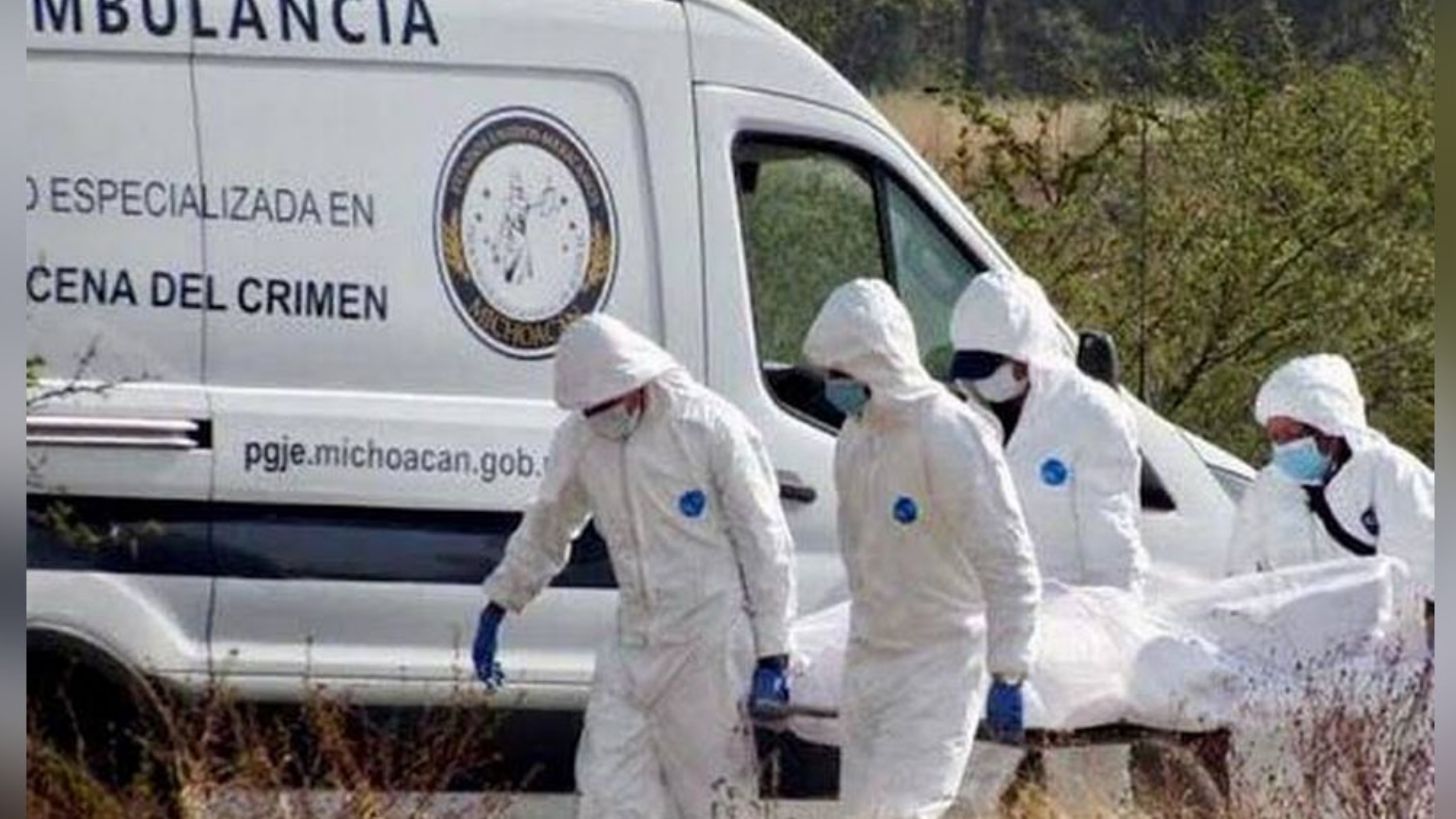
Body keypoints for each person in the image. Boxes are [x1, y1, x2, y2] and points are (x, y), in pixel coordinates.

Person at [472, 313, 798, 818]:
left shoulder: (708, 427)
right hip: (634, 642)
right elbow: (549, 523)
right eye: (588, 410)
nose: (598, 417)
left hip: (707, 644)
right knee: (609, 789)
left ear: (634, 384)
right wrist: (502, 599)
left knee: (715, 798)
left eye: (604, 406)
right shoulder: (581, 440)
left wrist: (773, 652)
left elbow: (765, 540)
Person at [803, 279, 1041, 818]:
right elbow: (859, 554)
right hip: (871, 658)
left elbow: (1007, 559)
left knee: (906, 811)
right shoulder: (856, 438)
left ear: (875, 363)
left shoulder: (948, 433)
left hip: (939, 662)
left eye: (842, 373)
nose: (834, 386)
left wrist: (1009, 667)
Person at [947, 270, 1148, 595]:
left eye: (988, 368)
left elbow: (1112, 547)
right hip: (990, 611)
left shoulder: (1092, 416)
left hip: (1065, 614)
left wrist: (1111, 619)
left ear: (1027, 360)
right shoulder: (971, 419)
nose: (980, 382)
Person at [1226, 354, 1435, 607]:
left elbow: (1425, 557)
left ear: (1329, 426)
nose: (1285, 447)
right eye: (1276, 437)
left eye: (1293, 434)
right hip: (1302, 628)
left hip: (1389, 626)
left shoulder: (1385, 471)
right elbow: (1241, 576)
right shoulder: (1269, 489)